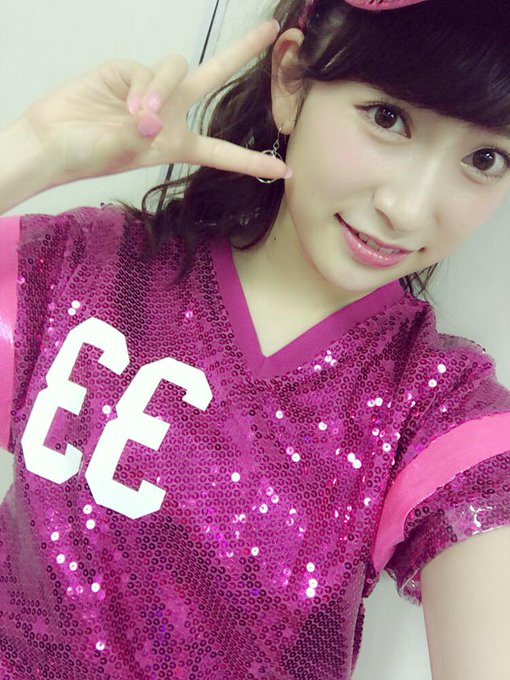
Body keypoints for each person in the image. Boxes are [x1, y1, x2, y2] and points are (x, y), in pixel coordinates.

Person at [0, 0, 509, 677]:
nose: (408, 209)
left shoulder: (439, 409)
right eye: (388, 117)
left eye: (484, 158)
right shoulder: (84, 269)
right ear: (292, 81)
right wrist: (32, 150)